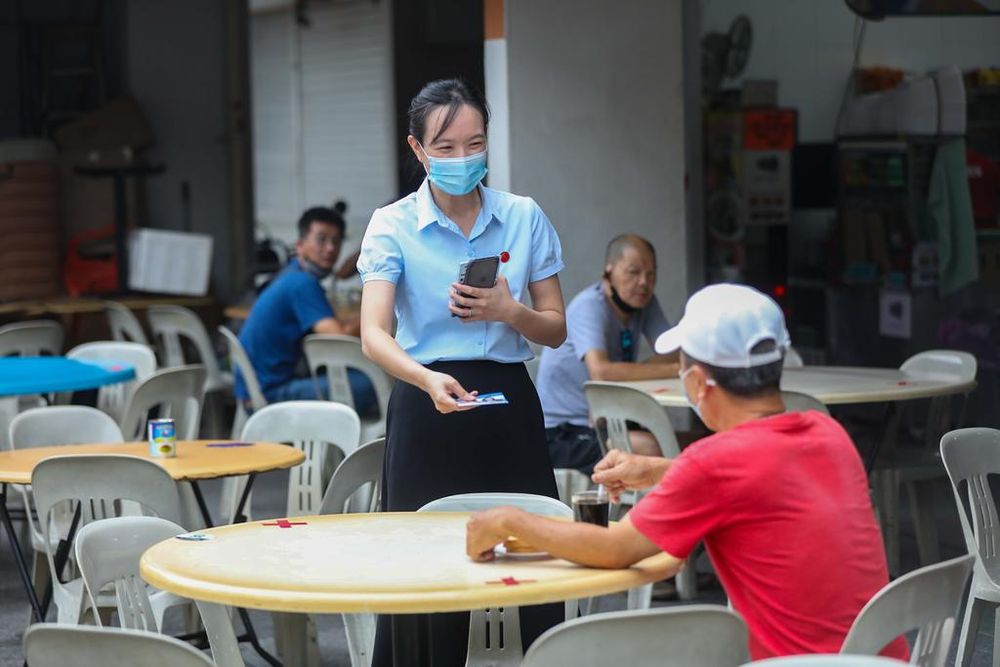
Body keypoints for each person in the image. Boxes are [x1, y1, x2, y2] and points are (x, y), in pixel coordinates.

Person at [466, 284, 909, 662]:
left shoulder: (715, 463)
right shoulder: (827, 433)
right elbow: (760, 477)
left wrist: (509, 520)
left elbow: (614, 549)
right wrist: (659, 469)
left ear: (698, 383)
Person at [357, 78, 567, 665]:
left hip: (509, 403)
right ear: (417, 150)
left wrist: (509, 310)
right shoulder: (392, 224)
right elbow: (374, 334)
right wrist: (425, 379)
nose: (462, 159)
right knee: (425, 576)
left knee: (534, 560)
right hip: (428, 401)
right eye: (445, 148)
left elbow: (555, 327)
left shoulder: (523, 217)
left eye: (474, 144)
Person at [537, 234, 678, 473]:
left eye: (651, 274)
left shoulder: (644, 303)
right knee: (649, 447)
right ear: (609, 272)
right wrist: (673, 370)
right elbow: (601, 371)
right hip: (562, 432)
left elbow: (673, 350)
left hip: (606, 421)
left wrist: (632, 371)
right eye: (633, 272)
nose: (644, 282)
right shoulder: (590, 306)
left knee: (675, 442)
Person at [234, 204, 376, 412]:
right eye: (321, 239)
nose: (330, 248)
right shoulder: (302, 283)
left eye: (336, 241)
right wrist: (380, 306)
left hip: (255, 389)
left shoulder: (290, 274)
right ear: (299, 245)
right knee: (380, 381)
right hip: (271, 394)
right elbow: (339, 338)